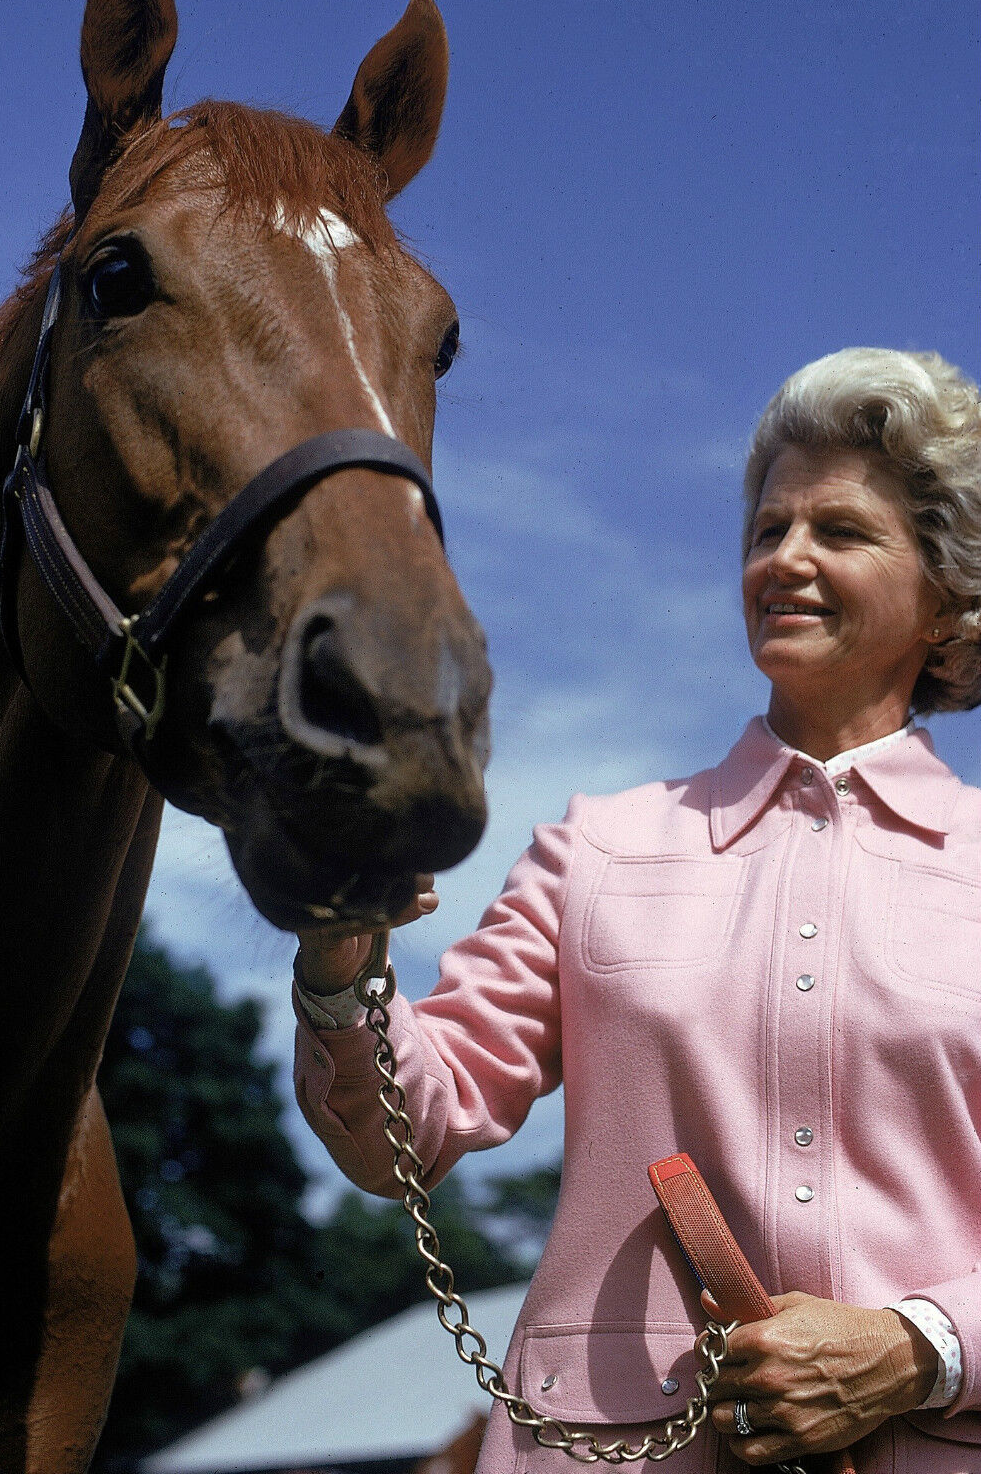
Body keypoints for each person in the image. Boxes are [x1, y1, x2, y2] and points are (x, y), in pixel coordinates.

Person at [292, 347, 981, 1474]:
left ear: (948, 593)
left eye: (841, 533)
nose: (786, 560)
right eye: (767, 530)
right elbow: (403, 1136)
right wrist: (339, 959)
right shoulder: (596, 845)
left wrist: (918, 1345)